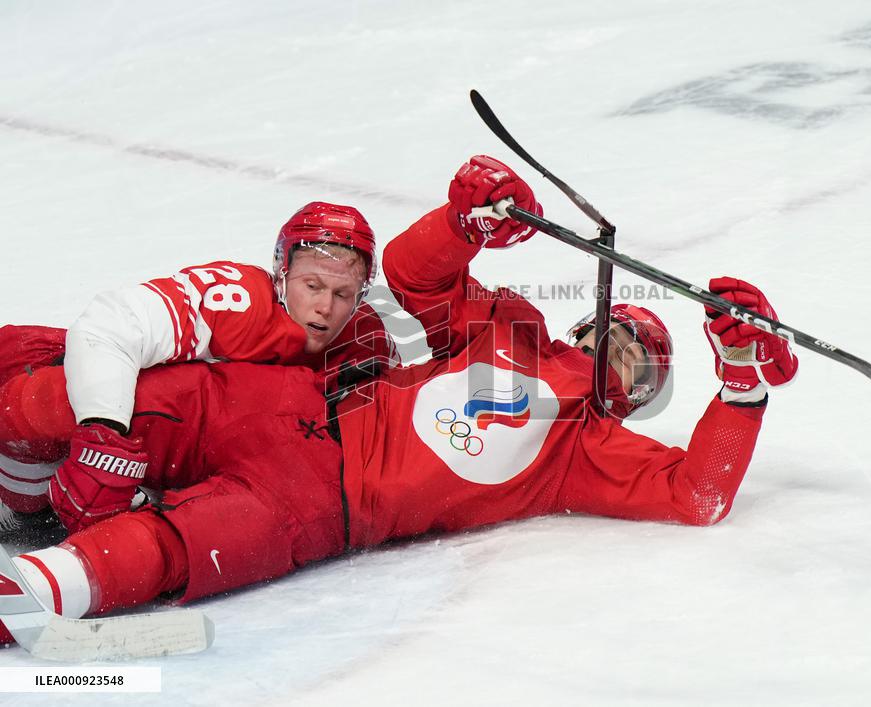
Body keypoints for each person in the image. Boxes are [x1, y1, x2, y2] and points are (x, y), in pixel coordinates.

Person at [0, 155, 796, 647]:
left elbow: (701, 494)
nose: (617, 360)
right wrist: (465, 220)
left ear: (633, 404)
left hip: (324, 503)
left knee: (178, 544)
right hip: (291, 399)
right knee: (135, 399)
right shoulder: (508, 327)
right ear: (586, 321)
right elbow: (419, 278)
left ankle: (28, 595)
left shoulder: (588, 451)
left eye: (638, 368)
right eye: (616, 337)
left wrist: (740, 378)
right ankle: (18, 470)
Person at [0, 202, 396, 530]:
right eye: (312, 286)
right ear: (282, 273)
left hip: (135, 451)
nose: (326, 307)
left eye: (343, 293)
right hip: (42, 373)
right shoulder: (239, 300)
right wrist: (104, 434)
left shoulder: (364, 344)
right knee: (30, 413)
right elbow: (112, 325)